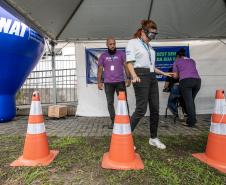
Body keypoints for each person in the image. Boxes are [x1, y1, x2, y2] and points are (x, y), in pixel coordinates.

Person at [126, 20, 172, 149]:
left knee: (155, 108)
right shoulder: (133, 43)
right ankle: (125, 137)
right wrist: (134, 75)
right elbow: (129, 62)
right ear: (142, 32)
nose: (152, 38)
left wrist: (163, 73)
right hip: (140, 75)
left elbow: (151, 66)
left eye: (154, 35)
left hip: (152, 76)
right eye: (150, 35)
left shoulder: (150, 48)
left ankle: (153, 138)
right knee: (141, 109)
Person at [97, 37, 131, 129]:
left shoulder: (121, 54)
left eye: (114, 44)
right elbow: (100, 69)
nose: (112, 46)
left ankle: (127, 120)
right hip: (108, 83)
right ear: (107, 45)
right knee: (110, 103)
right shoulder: (103, 56)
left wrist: (128, 77)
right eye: (110, 44)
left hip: (120, 82)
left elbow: (126, 66)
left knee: (123, 101)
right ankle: (113, 121)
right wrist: (99, 81)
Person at [173, 48, 201, 127]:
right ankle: (193, 119)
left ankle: (190, 122)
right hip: (197, 81)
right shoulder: (192, 60)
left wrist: (174, 75)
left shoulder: (177, 61)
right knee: (191, 101)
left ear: (178, 56)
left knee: (188, 102)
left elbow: (175, 76)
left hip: (186, 82)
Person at [163, 54, 187, 119]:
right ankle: (183, 111)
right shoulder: (184, 69)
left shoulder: (171, 69)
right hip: (184, 87)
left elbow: (167, 82)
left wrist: (165, 87)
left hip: (175, 88)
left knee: (170, 103)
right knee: (184, 101)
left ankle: (178, 113)